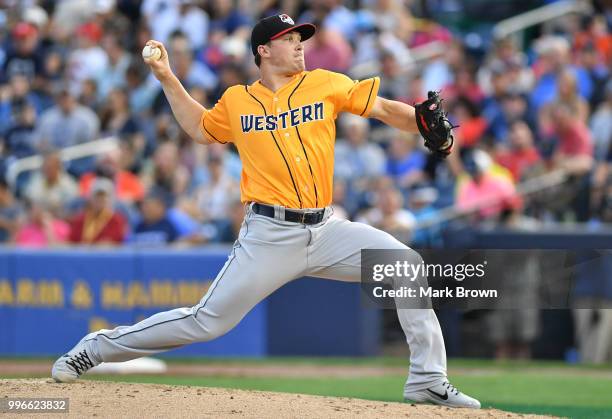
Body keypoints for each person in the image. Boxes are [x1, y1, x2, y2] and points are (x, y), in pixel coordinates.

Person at [51, 14, 480, 409]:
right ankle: (98, 347)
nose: (298, 46)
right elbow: (201, 129)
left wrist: (423, 123)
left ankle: (426, 378)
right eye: (288, 39)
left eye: (300, 39)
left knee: (405, 266)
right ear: (263, 50)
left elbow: (386, 109)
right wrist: (167, 77)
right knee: (207, 322)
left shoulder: (324, 83)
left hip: (327, 228)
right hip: (269, 234)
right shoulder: (238, 100)